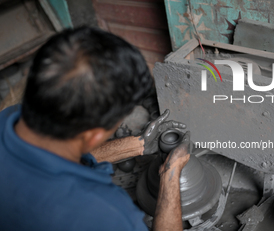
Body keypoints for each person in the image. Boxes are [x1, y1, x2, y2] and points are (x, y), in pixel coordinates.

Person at [0, 27, 190, 231]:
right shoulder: (102, 213)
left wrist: (137, 145)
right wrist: (171, 174)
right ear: (94, 136)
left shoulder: (9, 116)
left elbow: (60, 151)